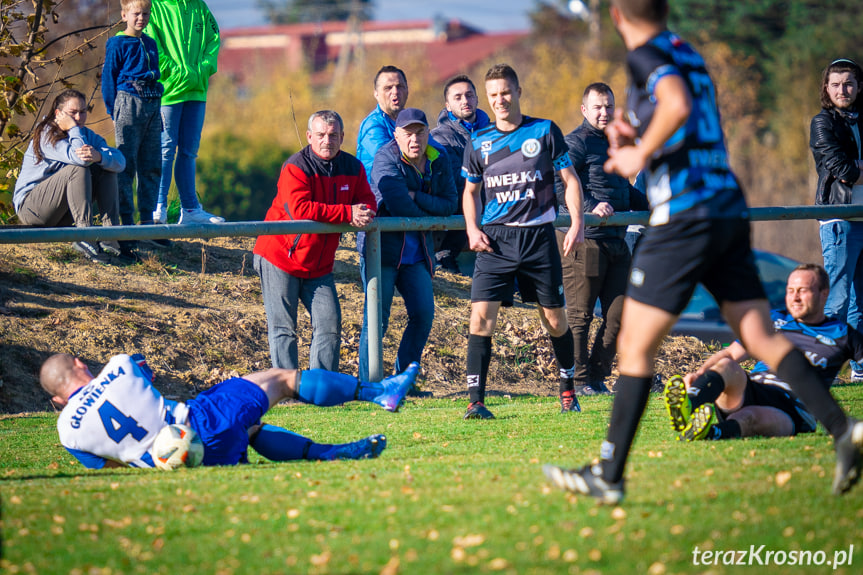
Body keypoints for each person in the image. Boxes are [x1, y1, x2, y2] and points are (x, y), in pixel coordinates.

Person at [543, 0, 863, 504]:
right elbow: (687, 123)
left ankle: (609, 473)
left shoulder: (646, 54)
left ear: (618, 16)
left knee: (634, 346)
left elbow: (676, 107)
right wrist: (638, 134)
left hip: (686, 214)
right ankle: (843, 429)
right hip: (725, 204)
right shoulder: (685, 51)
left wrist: (637, 154)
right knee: (758, 333)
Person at [39, 352, 420, 469]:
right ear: (79, 363)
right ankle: (379, 392)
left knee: (251, 428)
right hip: (203, 424)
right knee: (282, 379)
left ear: (58, 400)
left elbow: (110, 464)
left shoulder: (65, 431)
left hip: (180, 463)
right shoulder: (118, 365)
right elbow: (146, 377)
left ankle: (332, 453)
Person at [461, 63, 585, 418]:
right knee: (480, 319)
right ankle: (476, 402)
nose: (500, 100)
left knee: (556, 320)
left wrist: (577, 222)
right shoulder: (478, 141)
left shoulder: (544, 131)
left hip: (538, 238)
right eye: (494, 95)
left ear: (517, 91)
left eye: (505, 92)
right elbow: (470, 192)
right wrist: (472, 228)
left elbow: (570, 179)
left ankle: (567, 391)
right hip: (495, 241)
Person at [666, 264, 863, 441]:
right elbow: (732, 354)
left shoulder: (842, 333)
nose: (795, 298)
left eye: (802, 291)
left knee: (750, 417)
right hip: (753, 389)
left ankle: (710, 433)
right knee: (727, 365)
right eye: (790, 290)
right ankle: (688, 404)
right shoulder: (773, 320)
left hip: (794, 408)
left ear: (823, 293)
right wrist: (698, 375)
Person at [253, 111, 377, 372]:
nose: (327, 141)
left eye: (333, 135)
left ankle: (320, 389)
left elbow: (367, 201)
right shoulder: (295, 167)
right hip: (279, 257)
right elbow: (301, 210)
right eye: (320, 135)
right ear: (309, 136)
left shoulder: (353, 168)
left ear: (342, 137)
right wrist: (347, 213)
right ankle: (287, 392)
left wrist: (363, 211)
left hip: (319, 265)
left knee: (329, 324)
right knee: (284, 329)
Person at [555, 82, 649, 396]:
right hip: (586, 240)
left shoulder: (617, 143)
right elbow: (558, 188)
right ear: (584, 110)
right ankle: (579, 382)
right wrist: (589, 206)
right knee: (580, 316)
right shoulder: (575, 142)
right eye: (597, 106)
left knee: (621, 315)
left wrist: (654, 205)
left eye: (608, 105)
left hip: (617, 241)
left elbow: (623, 190)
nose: (604, 112)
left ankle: (596, 377)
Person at [357, 108, 458, 382]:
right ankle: (369, 386)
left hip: (418, 253)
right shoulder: (385, 158)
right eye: (408, 133)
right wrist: (430, 212)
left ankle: (403, 380)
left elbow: (451, 203)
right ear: (396, 135)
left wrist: (417, 197)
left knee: (424, 314)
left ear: (428, 133)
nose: (415, 139)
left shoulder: (439, 158)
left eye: (420, 132)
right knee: (377, 319)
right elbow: (400, 206)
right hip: (384, 251)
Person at [13, 89, 126, 263]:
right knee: (78, 168)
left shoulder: (85, 134)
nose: (79, 118)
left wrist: (101, 157)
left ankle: (110, 237)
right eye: (73, 113)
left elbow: (120, 161)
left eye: (82, 112)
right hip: (32, 212)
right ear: (59, 114)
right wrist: (73, 129)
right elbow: (79, 160)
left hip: (62, 214)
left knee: (106, 168)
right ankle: (84, 235)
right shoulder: (46, 133)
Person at [145, 0, 224, 225]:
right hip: (168, 90)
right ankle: (157, 206)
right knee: (166, 148)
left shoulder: (199, 6)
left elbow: (213, 40)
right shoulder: (156, 7)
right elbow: (151, 44)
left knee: (189, 151)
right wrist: (175, 70)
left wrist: (203, 68)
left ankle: (190, 209)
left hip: (197, 90)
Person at [811, 58, 863, 381]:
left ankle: (859, 367)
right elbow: (845, 172)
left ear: (859, 86)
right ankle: (825, 370)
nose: (842, 90)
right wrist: (855, 169)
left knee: (862, 301)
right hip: (839, 218)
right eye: (835, 84)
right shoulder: (823, 123)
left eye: (848, 83)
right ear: (826, 89)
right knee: (839, 298)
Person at [102, 0, 164, 256]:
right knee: (127, 164)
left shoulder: (150, 43)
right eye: (136, 13)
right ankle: (127, 223)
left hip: (152, 103)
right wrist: (112, 110)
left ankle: (147, 222)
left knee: (151, 163)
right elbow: (109, 77)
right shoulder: (117, 43)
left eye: (146, 13)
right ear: (124, 14)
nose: (141, 18)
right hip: (128, 103)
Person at [430, 74, 491, 274]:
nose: (465, 101)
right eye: (458, 97)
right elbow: (456, 177)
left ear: (477, 99)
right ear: (448, 105)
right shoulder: (440, 137)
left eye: (469, 95)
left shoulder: (494, 132)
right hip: (459, 202)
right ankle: (445, 258)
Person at [356, 65, 409, 180]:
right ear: (376, 94)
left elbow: (435, 152)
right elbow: (390, 162)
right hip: (379, 194)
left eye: (399, 86)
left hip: (407, 190)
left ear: (407, 90)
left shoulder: (411, 122)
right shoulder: (372, 125)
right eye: (388, 88)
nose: (395, 92)